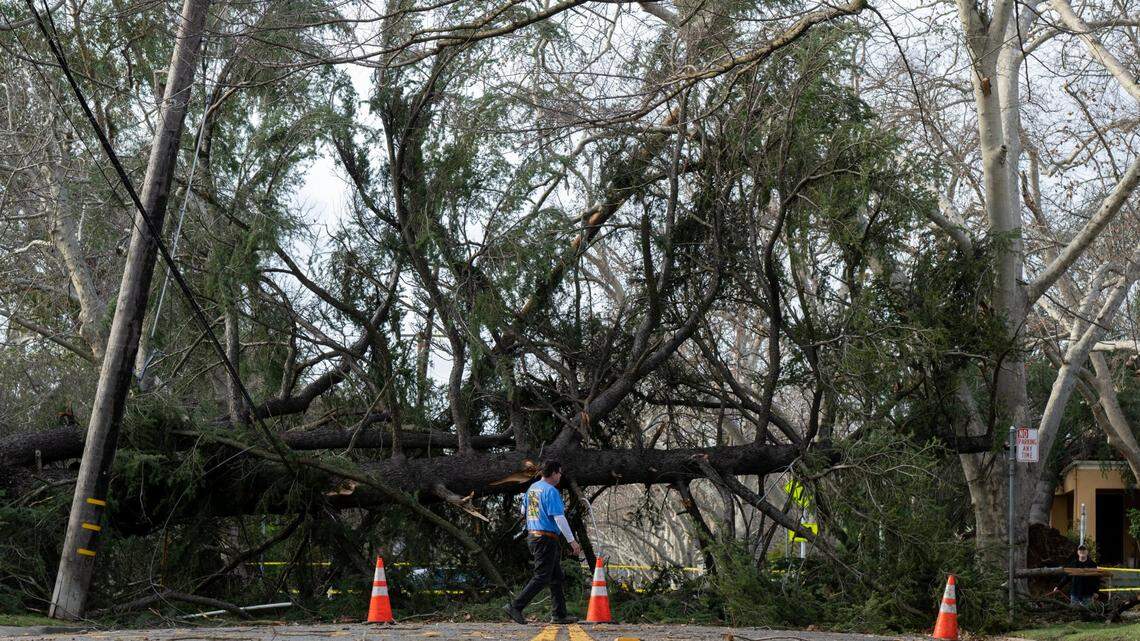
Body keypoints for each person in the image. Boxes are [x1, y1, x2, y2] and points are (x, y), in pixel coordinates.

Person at [503, 460, 582, 625]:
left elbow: (523, 511)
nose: (560, 475)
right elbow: (559, 518)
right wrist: (572, 541)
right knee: (542, 577)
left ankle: (559, 615)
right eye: (559, 472)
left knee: (556, 577)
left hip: (534, 536)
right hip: (545, 538)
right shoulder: (550, 491)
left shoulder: (532, 489)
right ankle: (515, 606)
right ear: (553, 473)